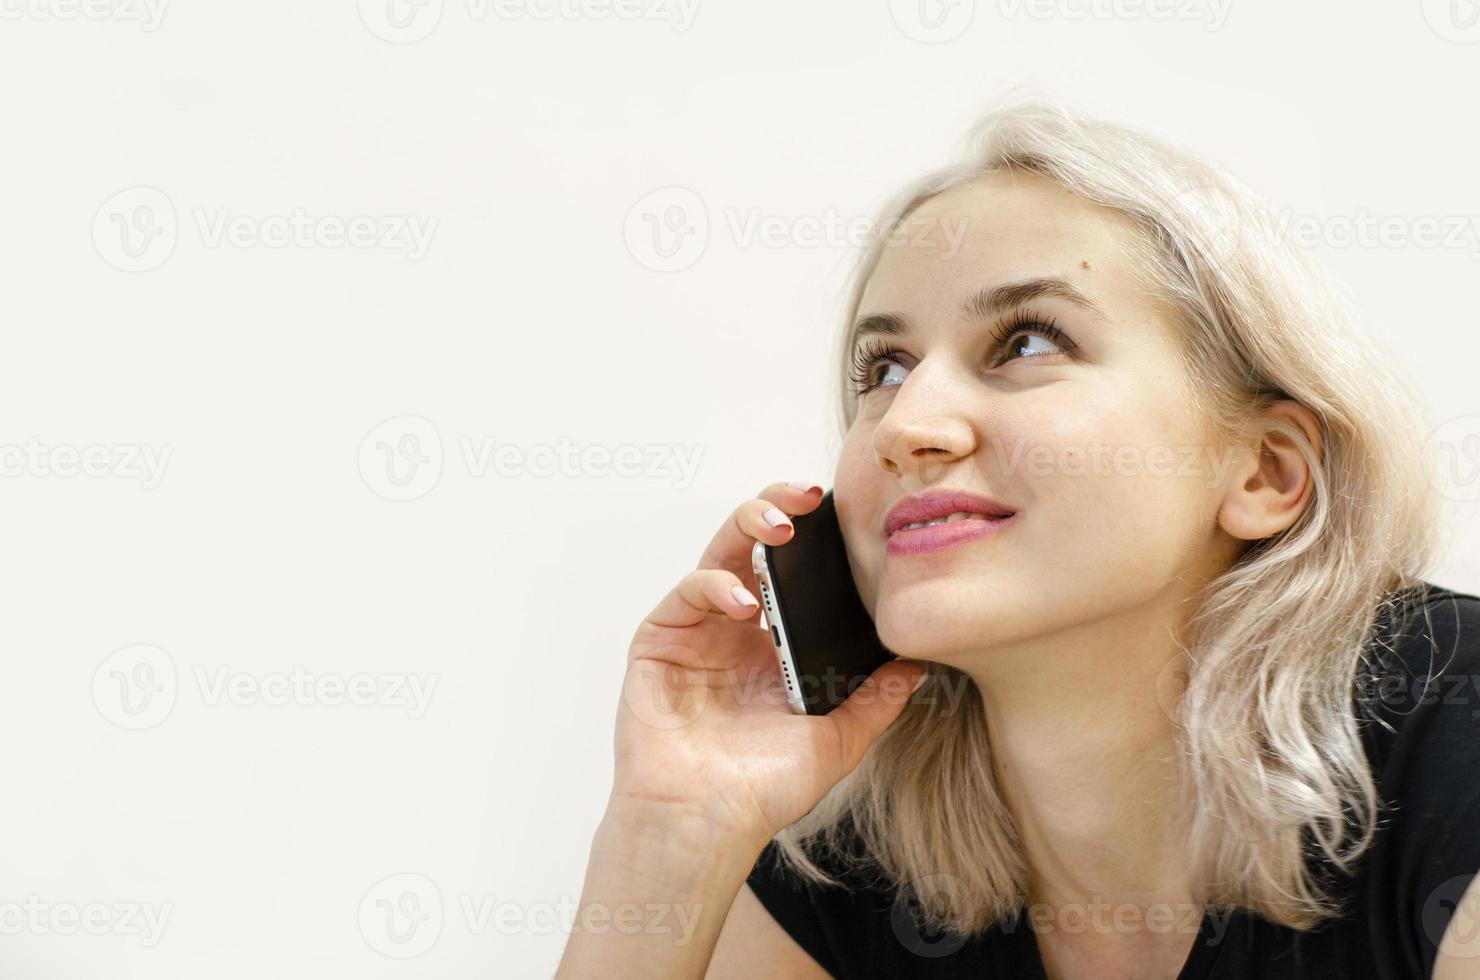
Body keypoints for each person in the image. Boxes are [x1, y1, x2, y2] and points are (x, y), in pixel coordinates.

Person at [555, 94, 1480, 979]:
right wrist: (671, 827)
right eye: (884, 367)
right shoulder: (852, 852)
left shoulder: (1453, 735)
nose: (906, 424)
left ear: (1265, 472)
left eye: (1027, 343)